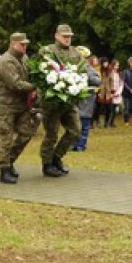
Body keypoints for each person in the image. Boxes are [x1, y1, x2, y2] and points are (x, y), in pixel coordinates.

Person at [39, 24, 86, 177]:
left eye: (69, 36)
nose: (67, 39)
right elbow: (39, 73)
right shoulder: (47, 51)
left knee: (75, 130)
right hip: (52, 102)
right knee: (51, 133)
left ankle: (56, 157)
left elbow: (83, 71)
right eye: (64, 36)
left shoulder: (76, 53)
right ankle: (47, 164)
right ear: (56, 35)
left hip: (69, 101)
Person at [0, 32, 38, 184]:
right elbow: (15, 84)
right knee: (6, 137)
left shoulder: (24, 59)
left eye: (26, 44)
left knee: (27, 132)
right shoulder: (6, 61)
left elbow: (30, 75)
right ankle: (4, 169)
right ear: (14, 44)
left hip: (21, 105)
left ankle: (9, 160)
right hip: (6, 105)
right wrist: (36, 87)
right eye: (22, 44)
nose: (25, 47)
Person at [73, 48, 102, 151]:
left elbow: (97, 81)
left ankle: (81, 145)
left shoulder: (90, 69)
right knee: (75, 124)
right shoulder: (73, 68)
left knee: (84, 124)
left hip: (87, 101)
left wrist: (87, 75)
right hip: (76, 101)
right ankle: (74, 144)